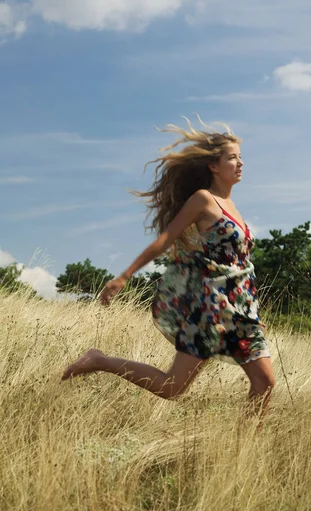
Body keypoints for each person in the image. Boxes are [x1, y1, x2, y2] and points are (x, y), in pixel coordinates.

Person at [62, 119, 275, 418]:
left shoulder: (234, 207)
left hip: (240, 310)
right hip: (210, 309)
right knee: (173, 388)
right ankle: (100, 361)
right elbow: (165, 241)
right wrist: (123, 276)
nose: (240, 163)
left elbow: (241, 269)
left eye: (241, 157)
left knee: (265, 382)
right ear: (214, 166)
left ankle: (247, 452)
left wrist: (252, 314)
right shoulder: (204, 199)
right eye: (232, 157)